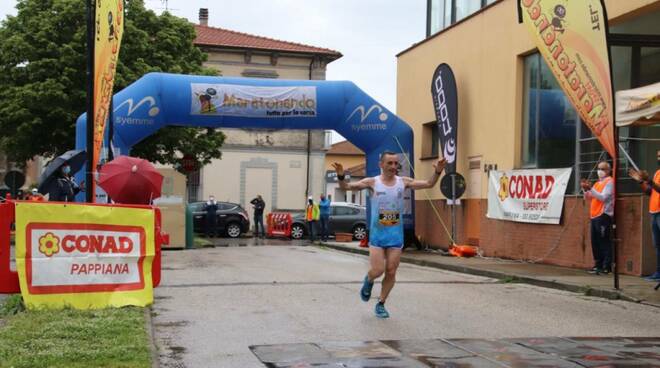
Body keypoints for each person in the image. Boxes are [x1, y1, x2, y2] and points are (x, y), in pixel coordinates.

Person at [332, 152, 446, 318]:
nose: (393, 167)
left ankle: (381, 303)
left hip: (395, 236)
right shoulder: (372, 182)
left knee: (391, 271)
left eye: (395, 163)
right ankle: (369, 280)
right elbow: (346, 187)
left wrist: (438, 171)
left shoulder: (403, 182)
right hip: (377, 235)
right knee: (378, 270)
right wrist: (341, 175)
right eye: (390, 163)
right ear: (381, 164)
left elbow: (429, 184)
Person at [628, 150, 660, 281]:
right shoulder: (658, 173)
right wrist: (641, 181)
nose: (659, 158)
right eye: (658, 156)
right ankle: (658, 272)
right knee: (657, 245)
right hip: (654, 212)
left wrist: (649, 181)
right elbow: (649, 191)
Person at [580, 161, 614, 275]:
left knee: (604, 241)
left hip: (603, 215)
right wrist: (586, 189)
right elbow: (589, 197)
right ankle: (598, 264)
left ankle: (606, 266)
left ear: (608, 170)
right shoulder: (597, 183)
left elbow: (603, 197)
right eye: (599, 168)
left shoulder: (610, 182)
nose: (600, 171)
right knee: (595, 242)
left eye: (603, 169)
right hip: (594, 215)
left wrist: (591, 189)